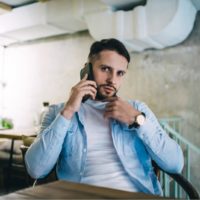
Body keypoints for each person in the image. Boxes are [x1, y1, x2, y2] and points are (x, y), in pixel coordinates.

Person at [25, 38, 184, 195]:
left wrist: (138, 120)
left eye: (120, 73)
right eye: (105, 69)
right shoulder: (57, 112)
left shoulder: (137, 109)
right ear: (86, 69)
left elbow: (175, 164)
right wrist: (68, 111)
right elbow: (36, 170)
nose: (112, 80)